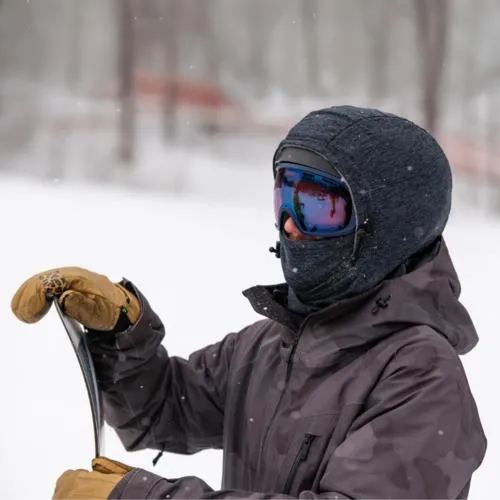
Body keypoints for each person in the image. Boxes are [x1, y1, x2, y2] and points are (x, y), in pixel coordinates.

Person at [11, 105, 487, 499]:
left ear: (384, 232)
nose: (290, 226)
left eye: (318, 207)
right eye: (285, 196)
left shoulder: (423, 377)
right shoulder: (270, 347)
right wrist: (120, 333)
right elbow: (163, 411)